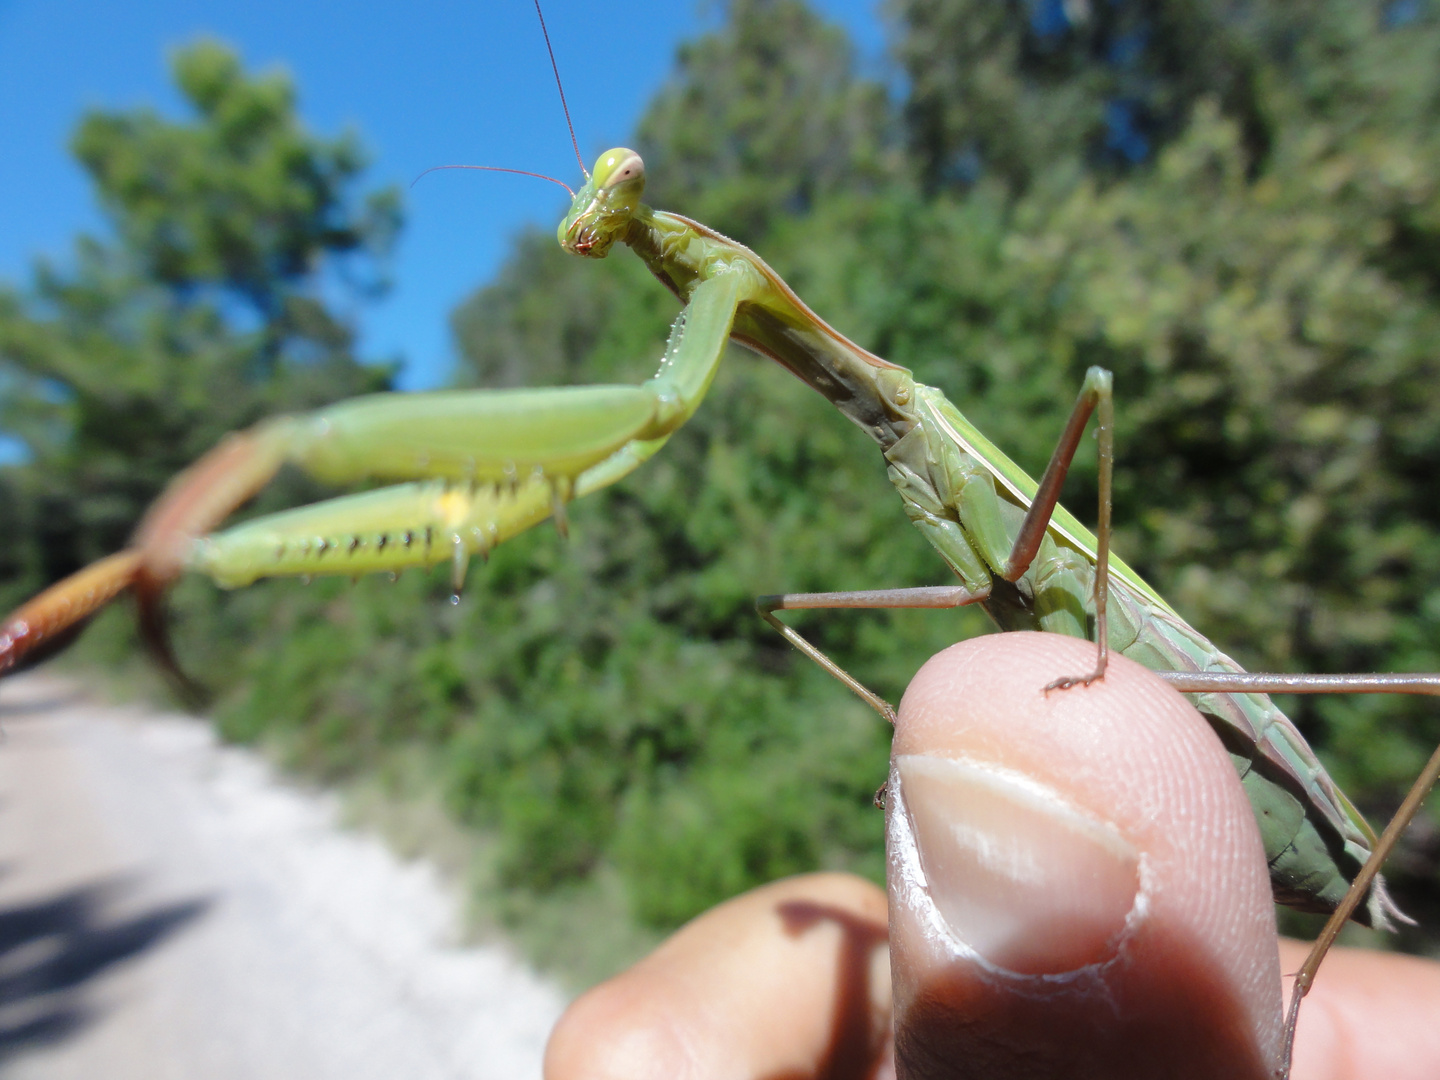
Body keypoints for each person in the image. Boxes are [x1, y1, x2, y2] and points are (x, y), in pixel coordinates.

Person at [544, 632, 1440, 1080]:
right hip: (1171, 784)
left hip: (1241, 757)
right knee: (787, 618)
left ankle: (1313, 972)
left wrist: (1095, 653)